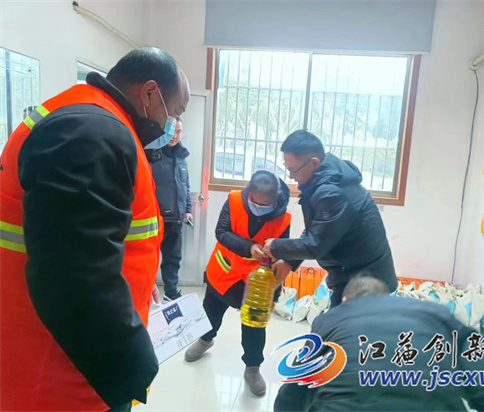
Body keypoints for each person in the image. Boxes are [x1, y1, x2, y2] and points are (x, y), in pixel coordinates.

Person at [0, 47, 190, 412]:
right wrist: (133, 368)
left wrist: (140, 278)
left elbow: (91, 238)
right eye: (176, 112)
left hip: (71, 358)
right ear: (150, 93)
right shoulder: (92, 133)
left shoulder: (96, 119)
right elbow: (73, 279)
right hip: (63, 373)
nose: (173, 125)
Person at [274, 276, 484, 412]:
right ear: (389, 297)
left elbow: (292, 395)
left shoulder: (330, 320)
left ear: (346, 301)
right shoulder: (436, 315)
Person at [184, 171, 297, 396]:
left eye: (264, 204)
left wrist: (276, 279)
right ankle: (205, 339)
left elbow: (283, 251)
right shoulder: (235, 200)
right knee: (210, 312)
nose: (258, 207)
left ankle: (252, 367)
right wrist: (248, 247)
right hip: (224, 271)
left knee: (254, 327)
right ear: (249, 193)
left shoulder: (283, 219)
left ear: (275, 199)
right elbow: (222, 232)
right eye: (254, 201)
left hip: (257, 282)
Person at [263, 130, 398, 307]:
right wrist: (289, 261)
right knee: (335, 322)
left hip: (368, 284)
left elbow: (316, 245)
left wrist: (275, 246)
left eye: (293, 170)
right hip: (352, 276)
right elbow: (318, 229)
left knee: (341, 324)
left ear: (314, 163)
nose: (291, 176)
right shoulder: (327, 180)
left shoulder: (332, 192)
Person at [146, 120, 193, 302]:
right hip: (155, 218)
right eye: (172, 131)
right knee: (149, 257)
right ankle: (146, 290)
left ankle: (170, 292)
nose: (175, 136)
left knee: (173, 258)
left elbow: (185, 185)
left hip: (176, 218)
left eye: (179, 132)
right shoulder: (151, 153)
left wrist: (187, 210)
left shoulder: (181, 156)